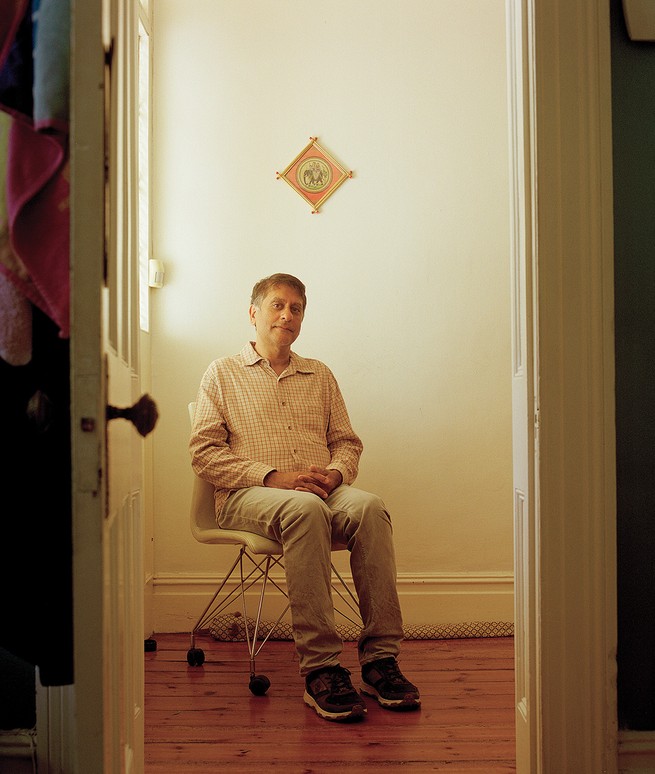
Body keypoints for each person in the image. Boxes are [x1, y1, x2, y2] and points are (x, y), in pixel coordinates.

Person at [189, 272, 420, 722]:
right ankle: (321, 669)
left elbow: (348, 443)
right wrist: (273, 476)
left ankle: (380, 661)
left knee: (370, 507)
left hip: (321, 492)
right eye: (277, 305)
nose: (287, 315)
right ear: (253, 313)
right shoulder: (221, 373)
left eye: (296, 309)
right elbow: (203, 454)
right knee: (304, 507)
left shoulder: (320, 375)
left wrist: (335, 476)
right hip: (247, 495)